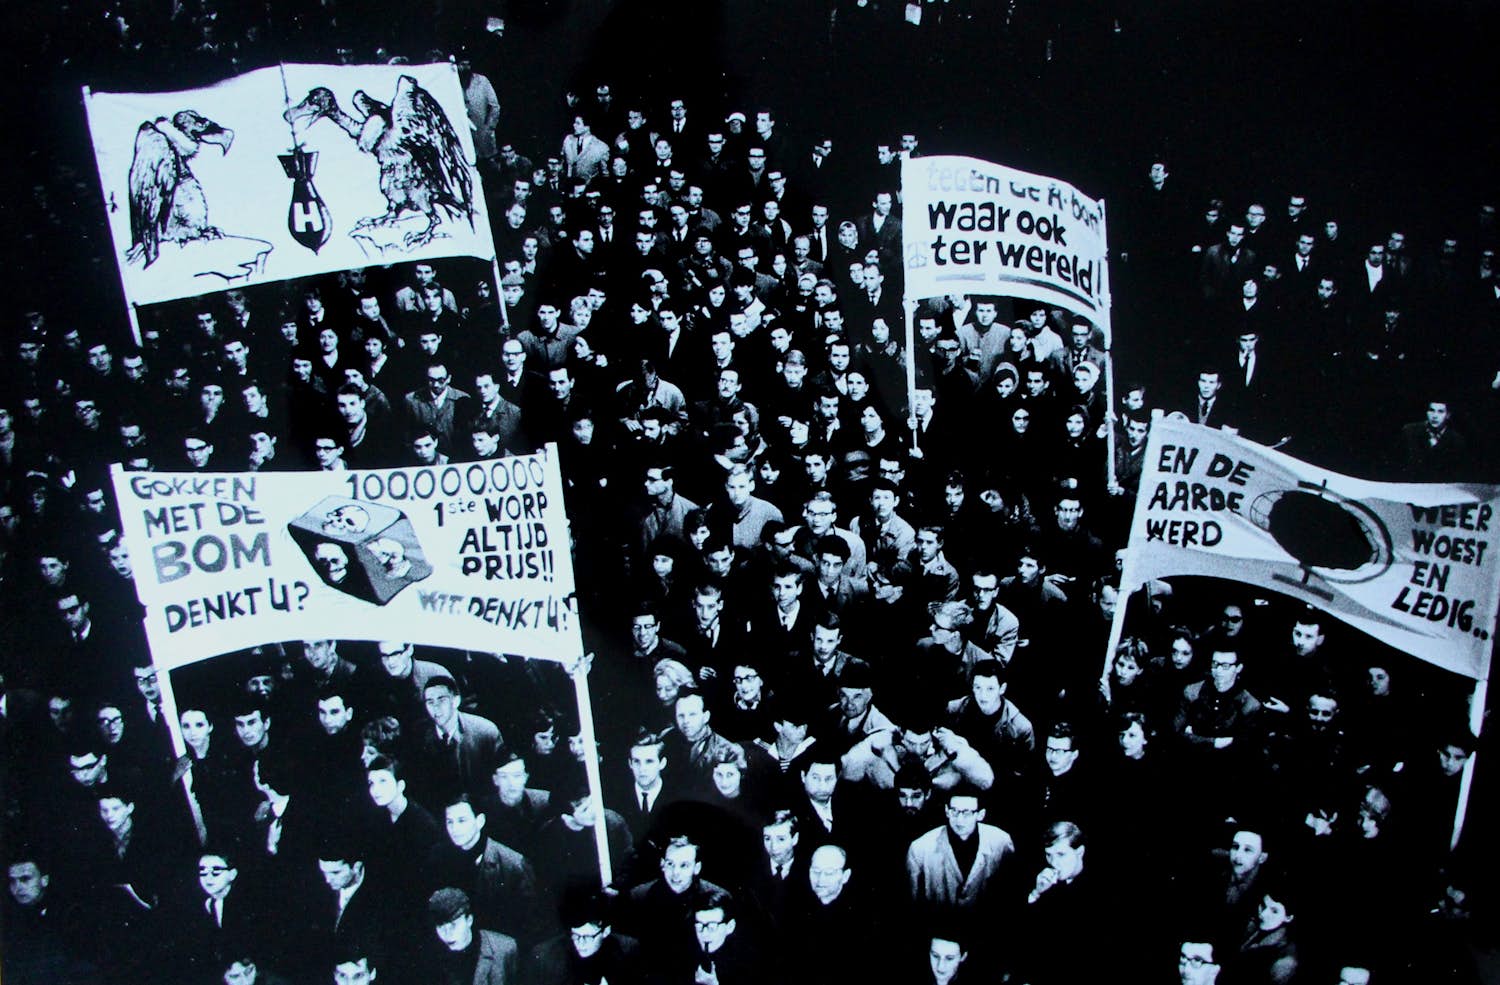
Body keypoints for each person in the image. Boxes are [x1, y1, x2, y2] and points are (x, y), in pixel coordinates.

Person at [905, 788, 1015, 909]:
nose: (959, 820)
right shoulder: (920, 848)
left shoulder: (1001, 841)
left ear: (980, 814)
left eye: (967, 813)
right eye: (954, 811)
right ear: (947, 811)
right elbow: (913, 903)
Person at [425, 886, 520, 985]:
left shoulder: (504, 949)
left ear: (469, 920)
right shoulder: (429, 957)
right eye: (440, 926)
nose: (447, 933)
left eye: (453, 925)